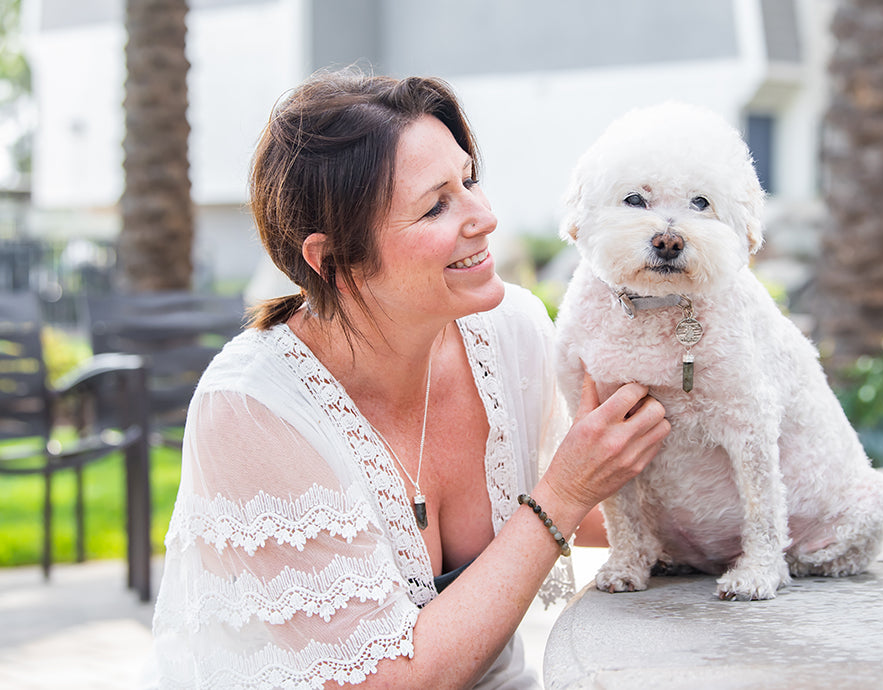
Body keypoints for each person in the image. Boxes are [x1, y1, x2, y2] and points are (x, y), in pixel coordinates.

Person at [150, 68, 670, 688]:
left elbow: (597, 506)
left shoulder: (512, 330)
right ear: (333, 258)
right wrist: (562, 494)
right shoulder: (251, 407)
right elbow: (384, 680)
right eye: (436, 206)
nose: (484, 217)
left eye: (470, 181)